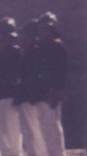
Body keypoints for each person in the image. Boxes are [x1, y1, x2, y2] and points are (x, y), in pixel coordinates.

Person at [31, 12, 68, 156]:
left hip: (51, 94)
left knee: (52, 130)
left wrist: (56, 92)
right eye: (41, 29)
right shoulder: (41, 48)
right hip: (41, 93)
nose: (42, 31)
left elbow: (60, 73)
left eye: (45, 28)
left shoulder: (57, 47)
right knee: (44, 131)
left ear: (52, 29)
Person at [0, 17, 24, 156]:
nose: (2, 38)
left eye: (5, 35)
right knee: (0, 132)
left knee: (13, 133)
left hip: (11, 96)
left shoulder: (17, 52)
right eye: (1, 34)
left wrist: (18, 94)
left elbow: (19, 75)